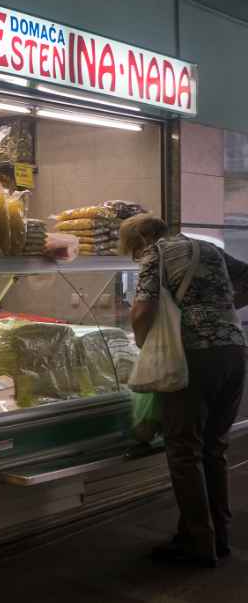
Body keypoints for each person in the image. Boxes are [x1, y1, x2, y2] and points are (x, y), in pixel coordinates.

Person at [121, 214, 248, 567]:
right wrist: (215, 312)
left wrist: (146, 346)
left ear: (143, 238)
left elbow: (141, 311)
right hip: (234, 351)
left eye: (133, 249)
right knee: (213, 448)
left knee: (183, 452)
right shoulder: (209, 248)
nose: (135, 256)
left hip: (192, 358)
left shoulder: (156, 254)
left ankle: (197, 544)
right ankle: (217, 536)